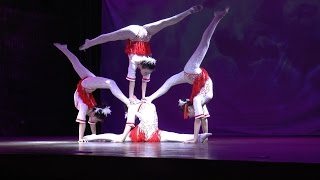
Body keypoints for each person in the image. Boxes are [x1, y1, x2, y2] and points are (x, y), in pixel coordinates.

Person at [79, 4, 203, 104]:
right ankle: (90, 43)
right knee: (110, 37)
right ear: (142, 67)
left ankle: (189, 11)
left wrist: (144, 97)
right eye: (145, 73)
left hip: (145, 34)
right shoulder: (134, 62)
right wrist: (131, 97)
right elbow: (131, 81)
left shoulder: (148, 64)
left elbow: (145, 80)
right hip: (134, 33)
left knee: (167, 22)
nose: (145, 75)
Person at [143, 7, 229, 143]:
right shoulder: (198, 99)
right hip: (196, 79)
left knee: (204, 44)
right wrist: (150, 98)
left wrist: (195, 139)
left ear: (188, 108)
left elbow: (199, 119)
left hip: (192, 72)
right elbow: (202, 118)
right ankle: (217, 17)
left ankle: (217, 17)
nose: (189, 115)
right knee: (204, 44)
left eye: (188, 113)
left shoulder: (196, 100)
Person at [53, 43, 131, 143]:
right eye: (96, 120)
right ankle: (126, 100)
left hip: (87, 83)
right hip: (87, 85)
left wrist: (94, 136)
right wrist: (80, 138)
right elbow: (82, 123)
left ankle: (65, 49)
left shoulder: (89, 109)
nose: (94, 122)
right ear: (94, 113)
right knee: (111, 83)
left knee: (76, 64)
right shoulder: (87, 107)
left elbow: (90, 123)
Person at [83, 101, 212, 143]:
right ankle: (92, 137)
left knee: (175, 136)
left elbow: (149, 118)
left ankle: (199, 136)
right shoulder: (134, 107)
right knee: (116, 138)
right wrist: (122, 138)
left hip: (152, 133)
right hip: (143, 132)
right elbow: (129, 125)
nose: (132, 99)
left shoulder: (146, 104)